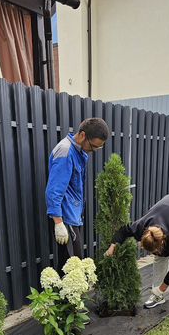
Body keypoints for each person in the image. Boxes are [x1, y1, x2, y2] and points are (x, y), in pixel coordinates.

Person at [105, 194, 169, 322]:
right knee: (159, 258)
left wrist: (161, 288)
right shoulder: (141, 227)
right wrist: (112, 246)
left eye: (155, 250)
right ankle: (158, 297)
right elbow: (123, 231)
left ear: (162, 242)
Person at [46, 117, 110, 273]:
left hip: (73, 215)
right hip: (66, 218)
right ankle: (69, 297)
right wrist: (59, 223)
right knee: (74, 268)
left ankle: (59, 296)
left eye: (98, 148)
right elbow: (54, 190)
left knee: (65, 265)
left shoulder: (78, 151)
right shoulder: (66, 151)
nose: (93, 151)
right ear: (82, 135)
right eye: (93, 146)